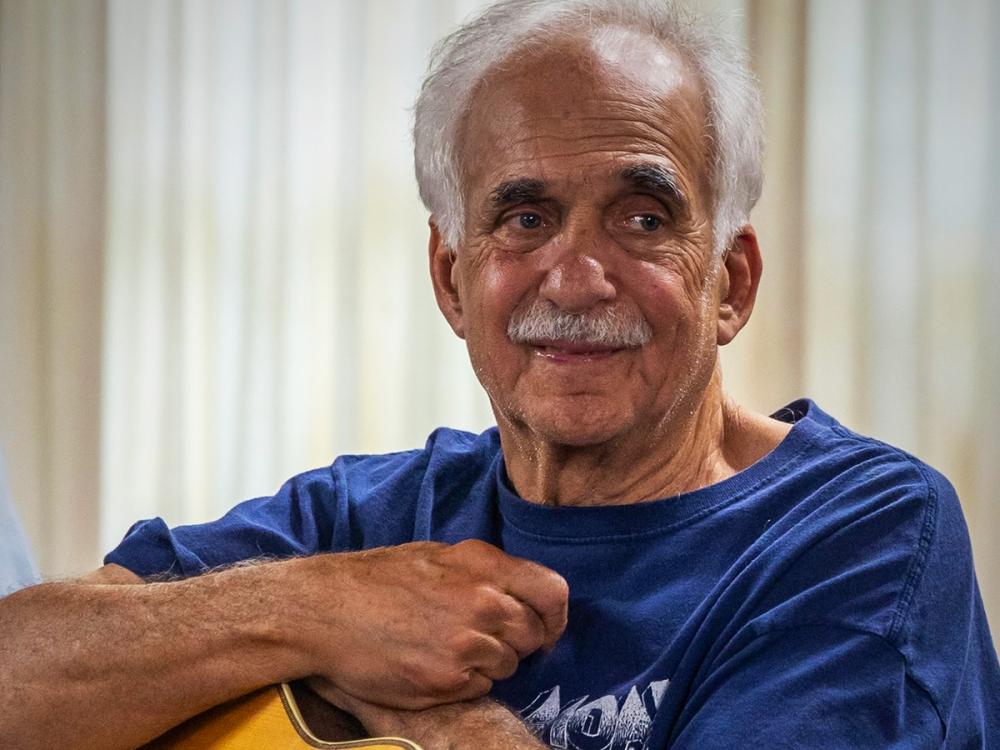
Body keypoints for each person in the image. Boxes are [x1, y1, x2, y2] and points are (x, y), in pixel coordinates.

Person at [2, 0, 998, 748]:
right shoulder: (363, 524)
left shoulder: (862, 531)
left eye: (642, 217)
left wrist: (456, 729)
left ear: (730, 282)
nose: (575, 274)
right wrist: (311, 614)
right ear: (450, 278)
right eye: (524, 218)